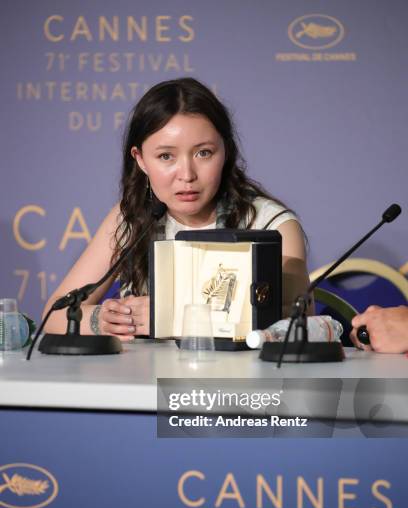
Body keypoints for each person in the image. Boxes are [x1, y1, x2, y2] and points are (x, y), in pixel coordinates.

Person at [43, 77, 311, 340]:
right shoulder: (132, 217)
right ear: (141, 160)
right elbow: (53, 314)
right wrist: (98, 320)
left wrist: (171, 317)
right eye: (165, 156)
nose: (186, 174)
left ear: (226, 151)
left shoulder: (271, 224)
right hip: (141, 381)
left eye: (203, 153)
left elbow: (298, 321)